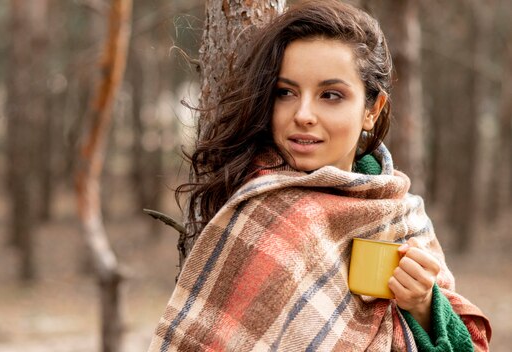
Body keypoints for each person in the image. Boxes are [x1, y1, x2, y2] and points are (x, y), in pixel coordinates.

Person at [149, 1, 491, 351]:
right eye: (286, 93)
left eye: (331, 95)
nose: (304, 114)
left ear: (372, 110)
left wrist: (421, 307)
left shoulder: (400, 213)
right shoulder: (262, 217)